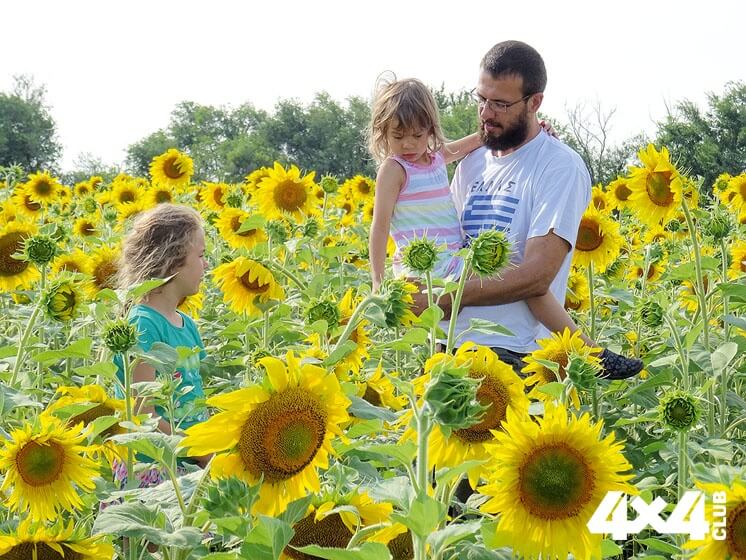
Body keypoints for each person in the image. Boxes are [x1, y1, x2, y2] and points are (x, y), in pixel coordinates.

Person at [367, 76, 640, 379]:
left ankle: (586, 349)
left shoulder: (434, 158)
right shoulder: (394, 169)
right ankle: (589, 351)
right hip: (427, 269)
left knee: (523, 278)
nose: (408, 144)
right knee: (516, 276)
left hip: (453, 262)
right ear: (382, 134)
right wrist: (379, 282)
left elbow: (478, 140)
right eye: (398, 136)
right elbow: (379, 227)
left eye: (417, 135)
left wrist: (536, 132)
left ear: (431, 130)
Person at [112, 203, 211, 489]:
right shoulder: (143, 325)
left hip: (189, 464)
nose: (205, 264)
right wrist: (198, 450)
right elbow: (143, 414)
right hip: (152, 469)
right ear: (173, 259)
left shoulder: (186, 325)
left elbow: (199, 397)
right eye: (201, 255)